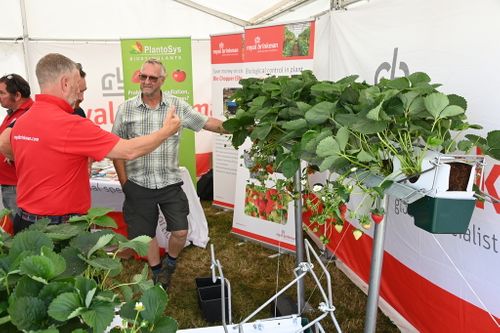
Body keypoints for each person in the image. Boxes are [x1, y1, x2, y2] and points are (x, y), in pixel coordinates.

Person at [4, 53, 180, 234]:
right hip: (60, 228)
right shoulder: (72, 125)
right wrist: (166, 131)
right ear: (65, 83)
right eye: (76, 86)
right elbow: (128, 151)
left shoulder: (22, 121)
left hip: (24, 222)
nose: (79, 93)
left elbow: (15, 149)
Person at [112, 58, 226, 290]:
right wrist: (125, 183)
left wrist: (243, 127)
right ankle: (157, 272)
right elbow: (116, 149)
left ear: (162, 80)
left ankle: (170, 263)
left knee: (181, 230)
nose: (146, 81)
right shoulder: (126, 109)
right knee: (146, 235)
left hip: (169, 183)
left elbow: (207, 123)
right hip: (138, 183)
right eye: (143, 76)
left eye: (153, 78)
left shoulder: (177, 107)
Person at [0, 74, 33, 217]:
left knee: (19, 232)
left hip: (17, 185)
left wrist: (13, 156)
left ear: (17, 95)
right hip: (10, 183)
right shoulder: (13, 114)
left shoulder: (29, 113)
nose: (0, 96)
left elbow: (33, 146)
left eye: (2, 93)